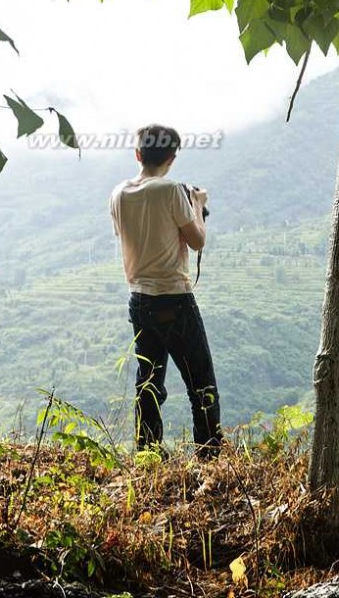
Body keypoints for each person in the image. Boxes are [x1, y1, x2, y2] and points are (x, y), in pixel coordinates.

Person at [110, 124, 222, 459]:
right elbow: (196, 240)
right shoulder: (173, 191)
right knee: (201, 384)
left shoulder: (118, 194)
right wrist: (197, 204)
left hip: (139, 298)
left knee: (148, 382)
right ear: (172, 157)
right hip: (175, 297)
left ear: (138, 154)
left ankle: (147, 454)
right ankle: (208, 457)